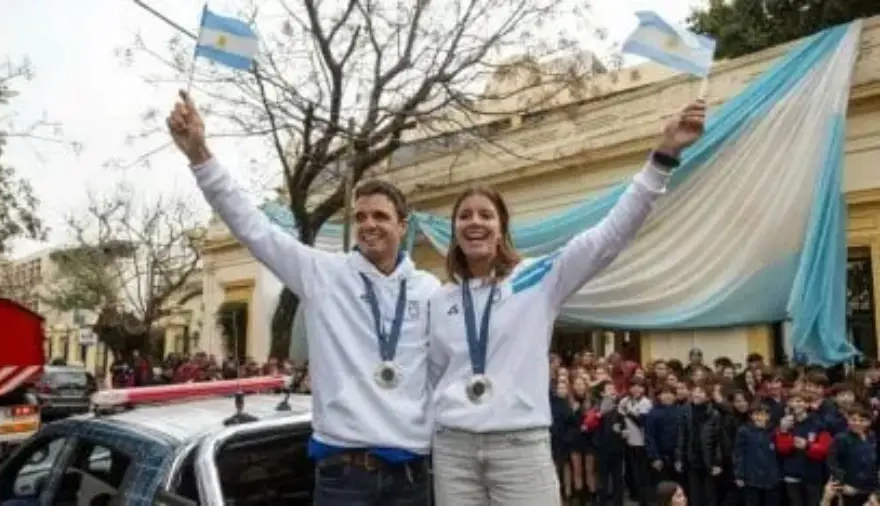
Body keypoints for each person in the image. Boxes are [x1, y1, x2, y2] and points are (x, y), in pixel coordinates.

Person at [167, 90, 441, 505]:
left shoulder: (429, 290)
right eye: (361, 216)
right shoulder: (324, 274)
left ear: (403, 225)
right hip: (344, 478)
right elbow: (254, 228)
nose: (368, 224)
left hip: (411, 479)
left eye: (380, 216)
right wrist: (200, 155)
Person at [426, 100, 707, 505]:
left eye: (486, 215)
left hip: (519, 448)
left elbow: (609, 237)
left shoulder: (536, 278)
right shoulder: (442, 299)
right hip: (454, 450)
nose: (474, 222)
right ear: (455, 230)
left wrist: (663, 156)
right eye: (464, 215)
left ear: (502, 227)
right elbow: (436, 375)